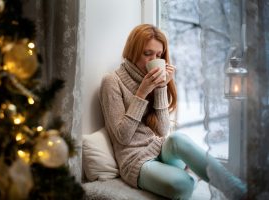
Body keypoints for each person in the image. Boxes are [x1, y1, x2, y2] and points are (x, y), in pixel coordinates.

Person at [99, 24, 246, 200]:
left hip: (159, 148)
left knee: (178, 138)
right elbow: (122, 137)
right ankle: (188, 175)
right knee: (183, 185)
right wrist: (142, 93)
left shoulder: (153, 82)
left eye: (159, 55)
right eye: (148, 53)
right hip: (135, 162)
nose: (154, 59)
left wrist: (161, 87)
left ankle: (240, 191)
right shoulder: (112, 82)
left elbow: (162, 131)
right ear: (132, 51)